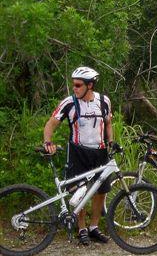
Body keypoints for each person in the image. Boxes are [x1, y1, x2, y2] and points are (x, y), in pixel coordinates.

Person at [43, 67, 112, 245]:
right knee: (78, 191)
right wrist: (47, 142)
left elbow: (108, 123)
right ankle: (81, 228)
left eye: (78, 85)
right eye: (73, 84)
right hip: (78, 152)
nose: (74, 88)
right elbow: (51, 124)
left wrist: (111, 142)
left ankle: (94, 227)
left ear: (90, 85)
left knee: (100, 191)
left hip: (100, 151)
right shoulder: (69, 102)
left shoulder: (104, 101)